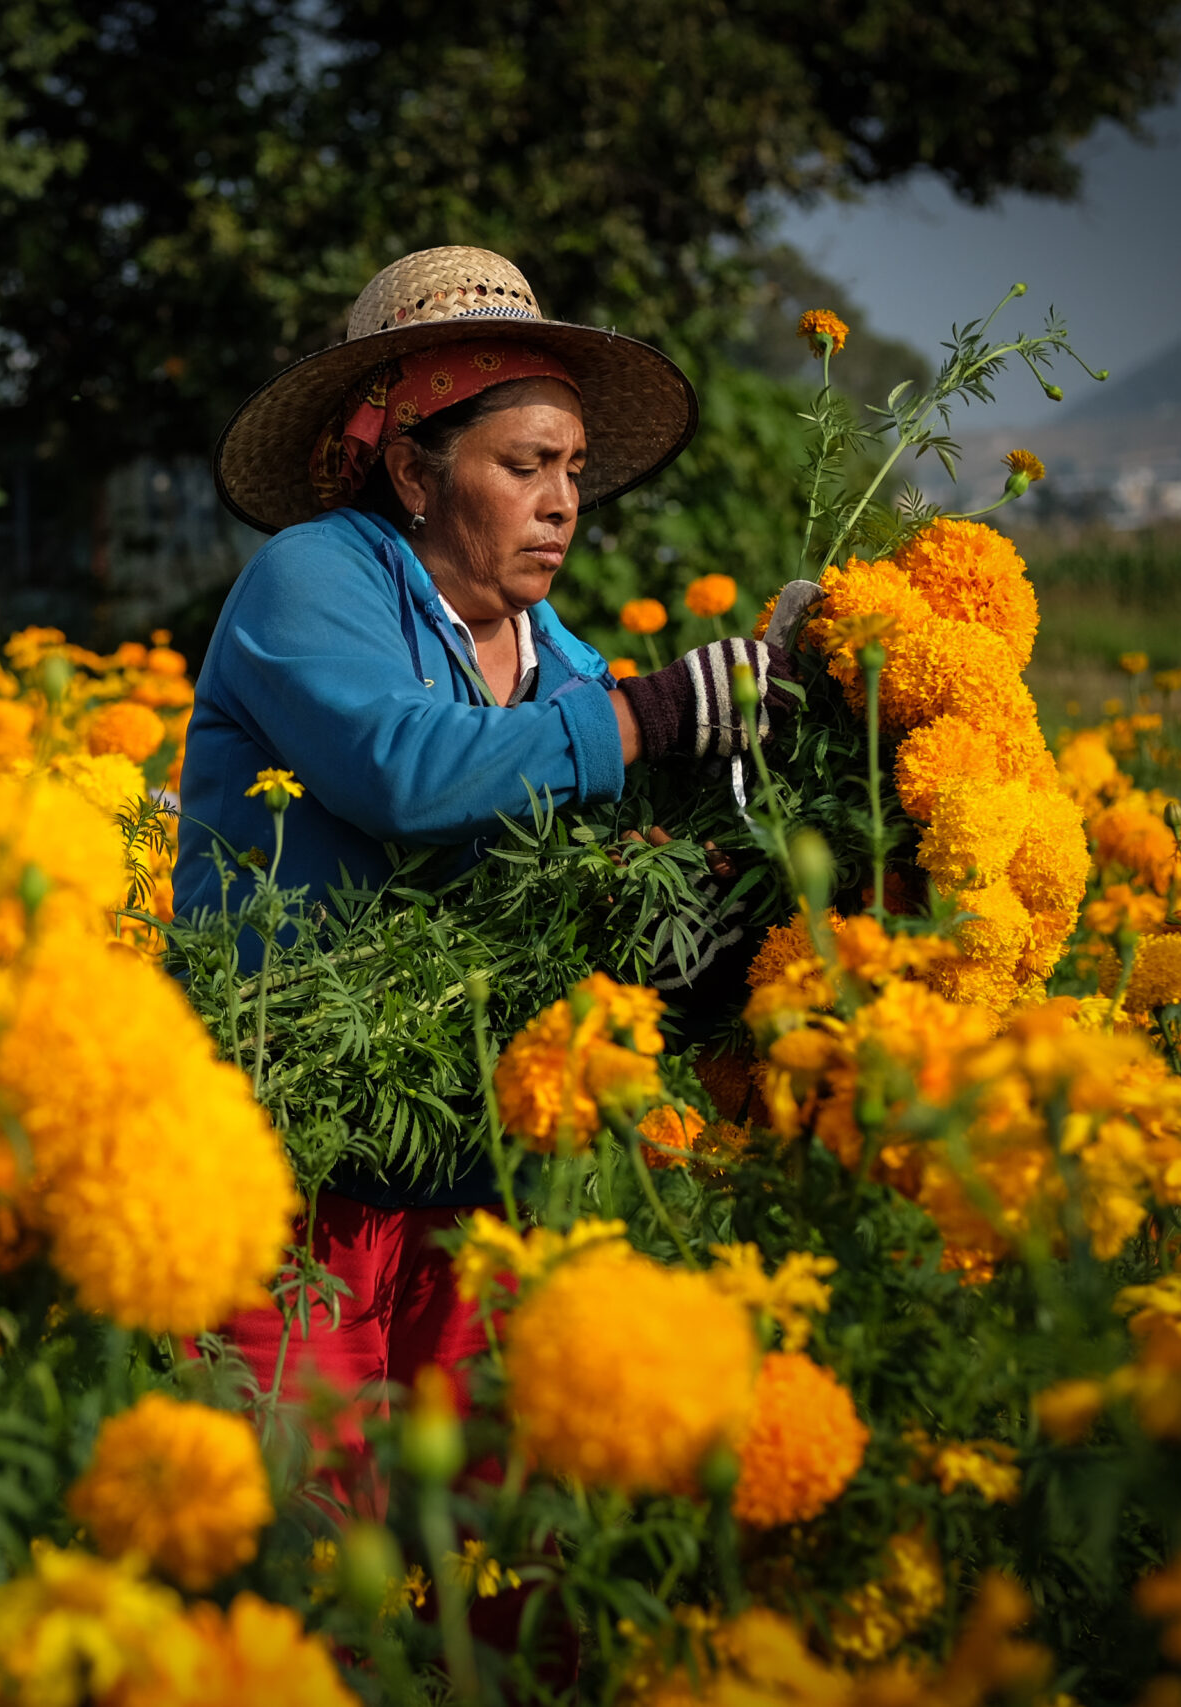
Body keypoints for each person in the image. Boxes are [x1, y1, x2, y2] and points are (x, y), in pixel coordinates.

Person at [177, 245, 809, 1457]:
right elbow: (406, 772)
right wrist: (649, 717)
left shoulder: (560, 659)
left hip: (473, 1174)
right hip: (288, 1164)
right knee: (314, 1542)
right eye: (524, 466)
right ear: (413, 468)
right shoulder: (310, 582)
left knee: (495, 1549)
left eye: (570, 469)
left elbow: (609, 884)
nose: (563, 501)